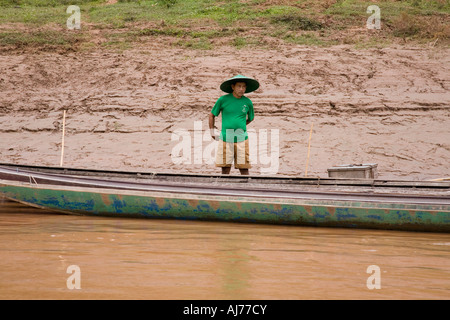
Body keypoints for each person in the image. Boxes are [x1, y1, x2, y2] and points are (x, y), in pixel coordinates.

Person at [209, 75, 259, 175]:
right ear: (233, 87)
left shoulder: (247, 102)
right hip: (226, 138)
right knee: (225, 169)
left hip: (242, 138)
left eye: (244, 87)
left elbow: (251, 118)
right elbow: (212, 115)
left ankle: (246, 189)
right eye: (239, 86)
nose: (241, 89)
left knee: (244, 169)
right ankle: (225, 189)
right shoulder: (223, 100)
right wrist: (212, 131)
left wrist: (241, 126)